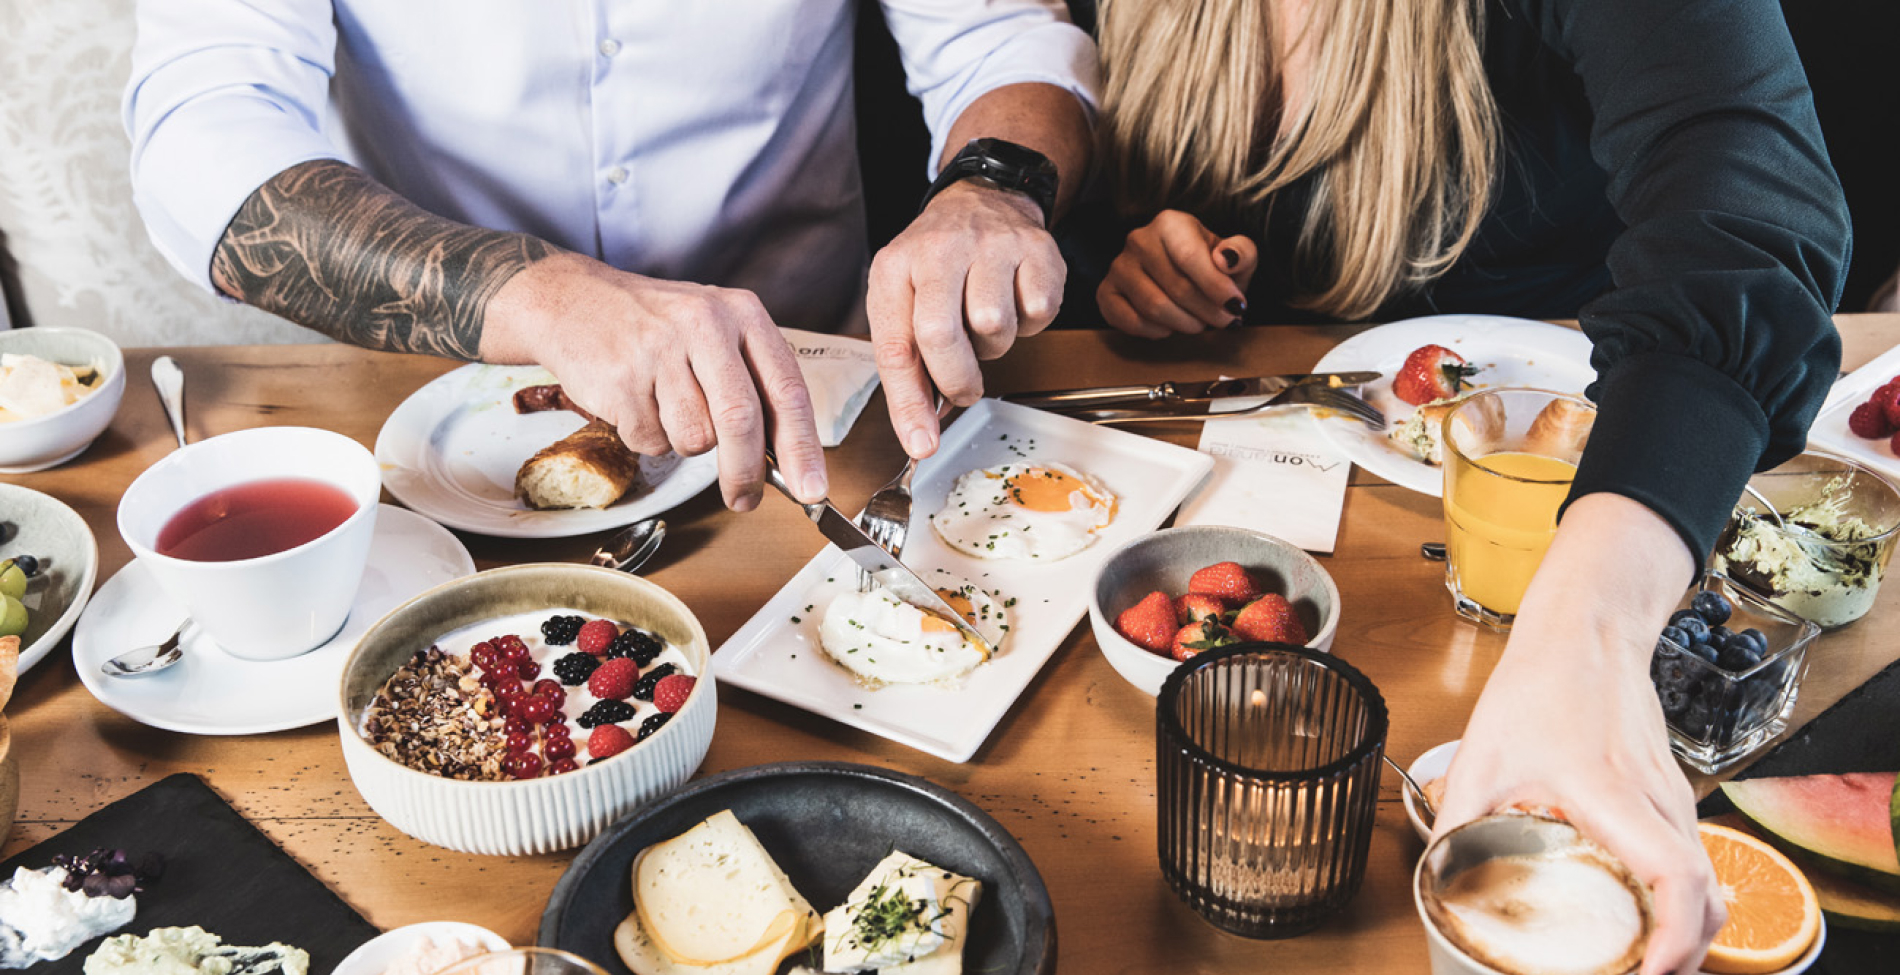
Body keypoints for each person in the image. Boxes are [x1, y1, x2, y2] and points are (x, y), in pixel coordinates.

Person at [1085, 0, 1850, 971]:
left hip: (1569, 507)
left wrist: (1586, 642)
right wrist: (1133, 267)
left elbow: (1745, 226)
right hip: (1231, 471)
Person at [123, 1, 1098, 510]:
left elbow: (998, 39)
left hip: (819, 402)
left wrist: (990, 186)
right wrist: (541, 297)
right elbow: (203, 140)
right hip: (431, 434)